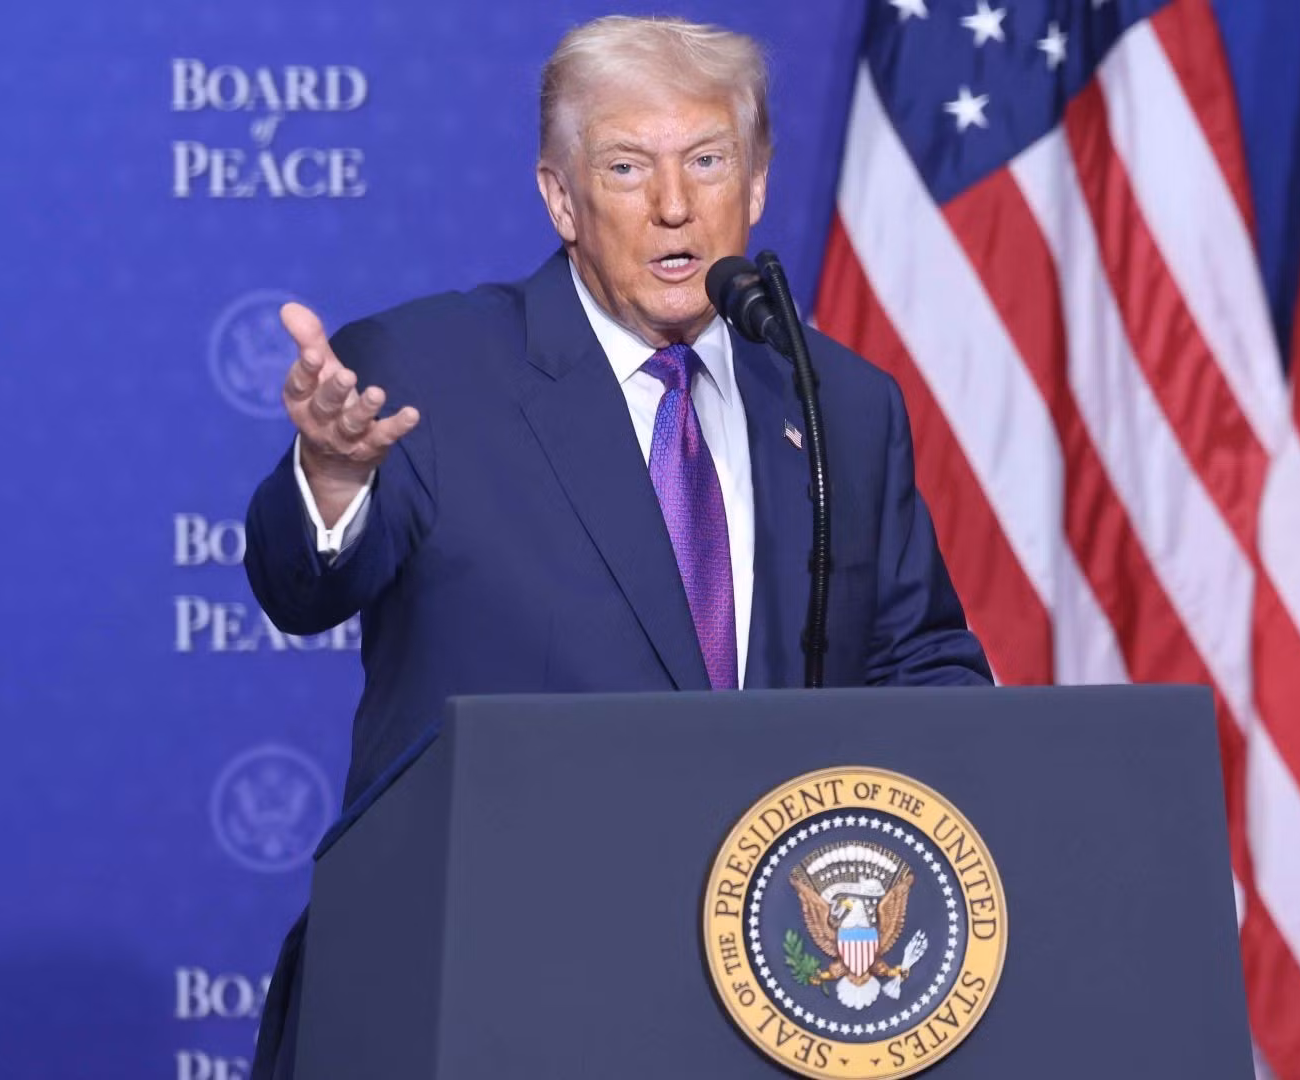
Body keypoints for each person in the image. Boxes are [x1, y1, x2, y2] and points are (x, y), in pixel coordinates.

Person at [240, 15, 993, 1077]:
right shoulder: (426, 369)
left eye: (708, 161)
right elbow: (303, 587)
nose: (674, 205)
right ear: (561, 198)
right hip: (478, 990)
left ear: (760, 181)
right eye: (628, 166)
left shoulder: (840, 407)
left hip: (755, 1005)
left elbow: (922, 663)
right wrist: (332, 475)